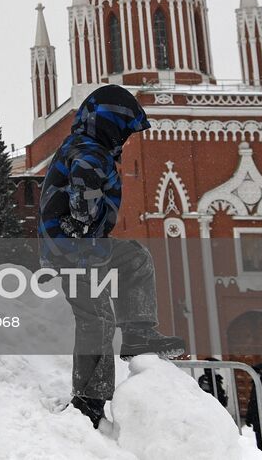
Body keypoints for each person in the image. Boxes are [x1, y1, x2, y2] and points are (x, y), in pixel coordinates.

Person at [37, 84, 186, 429]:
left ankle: (137, 333)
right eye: (124, 131)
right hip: (72, 248)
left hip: (84, 244)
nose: (126, 140)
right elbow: (84, 201)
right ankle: (88, 399)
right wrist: (85, 223)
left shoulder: (89, 147)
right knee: (97, 317)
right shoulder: (90, 152)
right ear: (110, 125)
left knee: (134, 257)